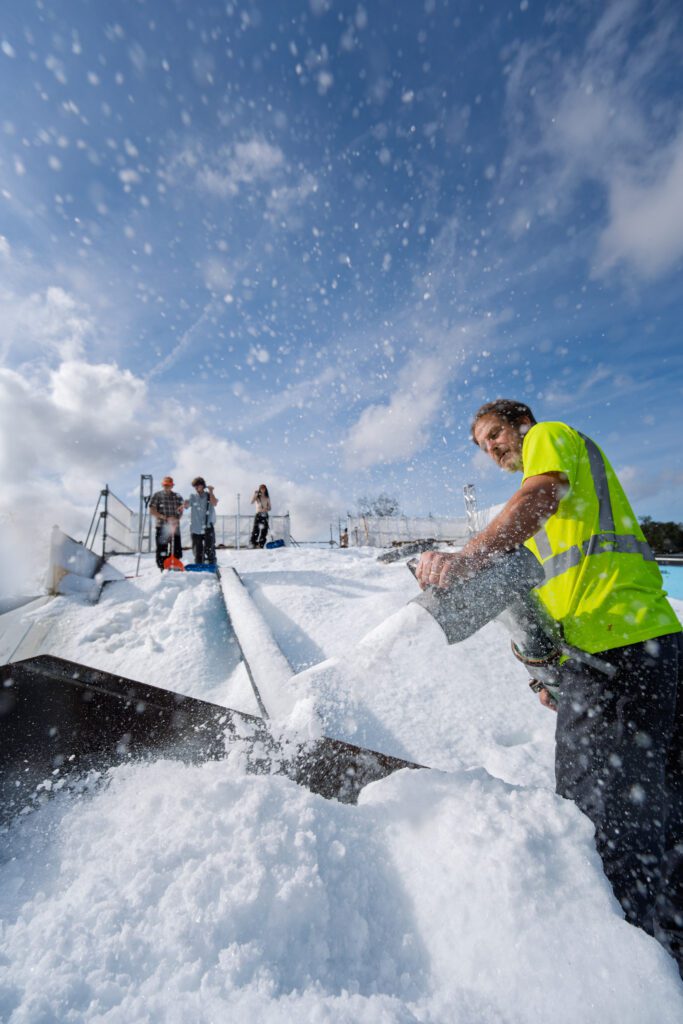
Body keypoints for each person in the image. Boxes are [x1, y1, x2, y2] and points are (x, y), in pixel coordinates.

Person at [416, 399, 683, 978]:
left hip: (616, 652)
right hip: (644, 647)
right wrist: (546, 671)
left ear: (519, 424)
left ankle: (629, 972)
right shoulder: (545, 525)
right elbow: (541, 604)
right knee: (662, 805)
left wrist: (468, 556)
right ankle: (670, 946)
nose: (491, 448)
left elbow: (538, 496)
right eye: (482, 444)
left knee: (605, 816)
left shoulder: (549, 443)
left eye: (494, 434)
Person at [149, 476, 184, 571]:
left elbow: (181, 510)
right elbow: (152, 511)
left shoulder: (177, 496)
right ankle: (163, 568)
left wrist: (176, 519)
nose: (167, 487)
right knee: (162, 549)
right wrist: (165, 517)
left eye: (169, 485)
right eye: (165, 485)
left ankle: (175, 566)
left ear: (172, 486)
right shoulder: (157, 495)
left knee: (176, 549)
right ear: (163, 485)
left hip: (174, 526)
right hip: (162, 526)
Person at [182, 477, 218, 564]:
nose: (196, 488)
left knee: (210, 550)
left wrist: (211, 491)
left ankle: (212, 565)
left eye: (197, 485)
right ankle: (199, 568)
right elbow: (186, 506)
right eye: (195, 486)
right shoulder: (192, 496)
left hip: (208, 526)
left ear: (202, 485)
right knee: (198, 552)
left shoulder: (209, 495)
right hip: (195, 528)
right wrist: (184, 504)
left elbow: (215, 503)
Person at [250, 484, 271, 548]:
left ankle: (261, 544)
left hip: (265, 514)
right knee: (256, 530)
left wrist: (266, 508)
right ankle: (254, 544)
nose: (263, 490)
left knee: (264, 530)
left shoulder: (267, 497)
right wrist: (255, 494)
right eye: (261, 488)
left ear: (265, 489)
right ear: (259, 489)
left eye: (264, 488)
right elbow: (252, 502)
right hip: (258, 514)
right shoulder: (257, 497)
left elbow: (270, 507)